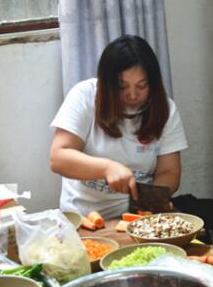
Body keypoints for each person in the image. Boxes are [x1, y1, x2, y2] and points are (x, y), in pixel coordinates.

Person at [50, 35, 188, 219]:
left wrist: (152, 202)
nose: (132, 95)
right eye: (122, 87)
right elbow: (58, 158)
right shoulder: (85, 96)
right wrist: (106, 168)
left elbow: (169, 171)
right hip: (84, 219)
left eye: (142, 86)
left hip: (136, 217)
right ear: (107, 84)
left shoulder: (165, 109)